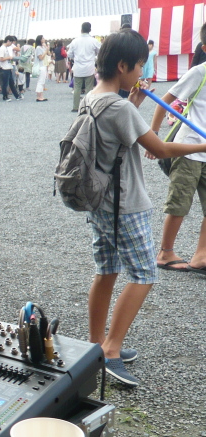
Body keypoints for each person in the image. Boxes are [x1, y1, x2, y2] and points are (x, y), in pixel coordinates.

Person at [80, 28, 206, 386]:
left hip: (99, 200)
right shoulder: (118, 107)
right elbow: (162, 149)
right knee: (144, 275)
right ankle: (111, 349)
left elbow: (116, 135)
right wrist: (201, 148)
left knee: (106, 270)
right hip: (125, 203)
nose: (141, 72)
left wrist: (134, 103)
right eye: (138, 66)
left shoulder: (93, 97)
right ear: (122, 66)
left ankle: (94, 346)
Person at [148, 25, 206, 275]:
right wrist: (153, 135)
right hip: (189, 149)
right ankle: (165, 252)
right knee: (180, 203)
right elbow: (165, 101)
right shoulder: (199, 72)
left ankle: (201, 255)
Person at [67, 22, 101, 112]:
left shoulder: (75, 41)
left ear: (81, 29)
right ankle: (87, 106)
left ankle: (75, 106)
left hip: (78, 67)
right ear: (90, 30)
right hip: (89, 67)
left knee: (77, 87)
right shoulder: (94, 41)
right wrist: (95, 56)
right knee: (89, 88)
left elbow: (69, 54)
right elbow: (100, 51)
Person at [0, 36, 22, 101]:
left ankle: (17, 96)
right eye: (11, 43)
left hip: (8, 67)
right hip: (4, 68)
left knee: (11, 83)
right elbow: (0, 59)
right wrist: (9, 58)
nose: (11, 44)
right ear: (8, 41)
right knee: (5, 84)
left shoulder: (6, 48)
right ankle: (5, 97)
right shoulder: (2, 48)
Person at [34, 35, 49, 102]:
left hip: (44, 65)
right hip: (41, 66)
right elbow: (41, 57)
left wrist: (46, 47)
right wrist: (45, 51)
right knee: (40, 81)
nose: (44, 39)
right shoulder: (38, 48)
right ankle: (39, 96)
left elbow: (49, 54)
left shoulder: (42, 47)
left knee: (42, 81)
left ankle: (41, 96)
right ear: (40, 40)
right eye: (43, 38)